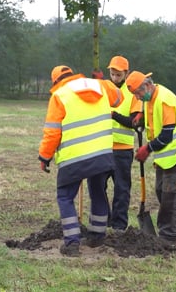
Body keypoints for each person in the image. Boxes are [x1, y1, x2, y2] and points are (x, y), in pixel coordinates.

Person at [38, 65, 123, 257]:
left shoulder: (59, 95)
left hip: (73, 158)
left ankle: (72, 244)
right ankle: (97, 236)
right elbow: (119, 98)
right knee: (98, 192)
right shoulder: (99, 85)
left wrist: (45, 157)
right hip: (102, 154)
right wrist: (105, 81)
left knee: (65, 197)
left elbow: (52, 132)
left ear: (55, 81)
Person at [126, 70, 176, 251]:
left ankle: (168, 237)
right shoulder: (149, 99)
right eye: (135, 94)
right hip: (166, 156)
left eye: (138, 93)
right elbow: (153, 118)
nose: (137, 97)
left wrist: (147, 149)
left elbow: (167, 134)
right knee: (161, 191)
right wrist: (142, 117)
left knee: (170, 196)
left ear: (148, 85)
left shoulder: (165, 99)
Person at [105, 56, 144, 231]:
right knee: (97, 187)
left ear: (126, 73)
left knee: (121, 189)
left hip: (123, 150)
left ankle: (119, 226)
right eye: (112, 74)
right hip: (103, 148)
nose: (114, 77)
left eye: (118, 74)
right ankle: (103, 221)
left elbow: (135, 122)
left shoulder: (132, 93)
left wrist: (114, 115)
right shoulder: (104, 89)